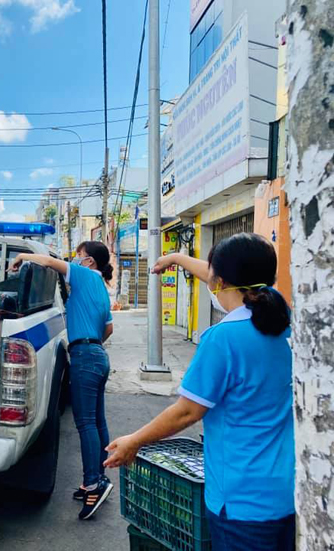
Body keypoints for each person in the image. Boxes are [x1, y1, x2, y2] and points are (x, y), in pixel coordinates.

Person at [104, 233, 294, 551]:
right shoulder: (283, 318)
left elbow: (187, 412)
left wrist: (133, 441)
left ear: (218, 282)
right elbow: (229, 278)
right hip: (287, 492)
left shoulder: (224, 338)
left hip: (241, 501)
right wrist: (177, 258)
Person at [11, 241, 115, 520]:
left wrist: (22, 255)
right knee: (97, 421)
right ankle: (98, 477)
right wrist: (92, 345)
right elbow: (109, 328)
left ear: (89, 261)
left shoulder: (82, 275)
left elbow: (49, 262)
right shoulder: (102, 289)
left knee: (85, 423)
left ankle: (93, 483)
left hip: (86, 356)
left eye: (78, 256)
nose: (74, 260)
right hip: (98, 356)